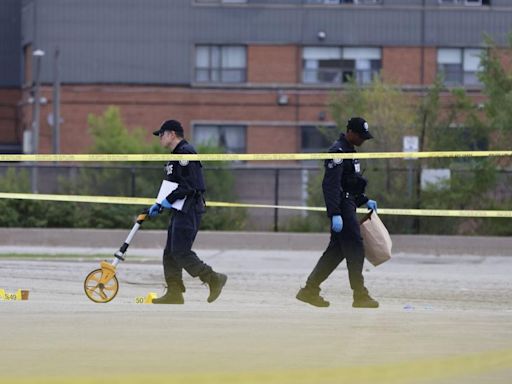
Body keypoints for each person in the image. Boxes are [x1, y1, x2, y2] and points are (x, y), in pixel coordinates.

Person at [296, 117, 379, 309]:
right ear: (350, 132)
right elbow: (331, 185)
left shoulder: (351, 151)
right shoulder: (338, 152)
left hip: (348, 205)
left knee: (336, 252)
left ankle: (309, 290)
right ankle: (360, 295)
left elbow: (349, 184)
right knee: (356, 248)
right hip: (342, 207)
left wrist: (364, 200)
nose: (363, 140)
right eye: (360, 136)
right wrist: (335, 213)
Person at [148, 119, 227, 304]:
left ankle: (213, 278)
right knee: (170, 253)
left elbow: (192, 185)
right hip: (179, 209)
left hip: (189, 209)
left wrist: (167, 201)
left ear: (172, 134)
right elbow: (173, 185)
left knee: (181, 252)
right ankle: (174, 292)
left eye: (162, 134)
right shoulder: (175, 155)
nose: (159, 138)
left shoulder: (185, 153)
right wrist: (159, 204)